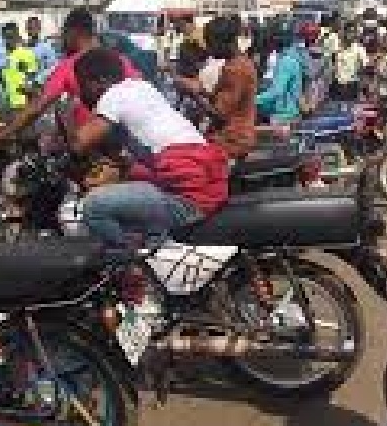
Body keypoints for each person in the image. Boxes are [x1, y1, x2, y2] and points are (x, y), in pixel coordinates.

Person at [72, 47, 229, 254]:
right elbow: (138, 143)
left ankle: (130, 267)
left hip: (188, 197)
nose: (80, 92)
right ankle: (152, 248)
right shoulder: (142, 87)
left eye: (82, 84)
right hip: (203, 176)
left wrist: (58, 142)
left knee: (93, 208)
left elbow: (79, 143)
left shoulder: (111, 96)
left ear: (100, 81)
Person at [0, 7, 140, 143]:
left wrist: (2, 135)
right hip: (127, 144)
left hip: (89, 146)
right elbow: (140, 93)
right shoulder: (120, 60)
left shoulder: (69, 65)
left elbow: (37, 106)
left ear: (74, 33)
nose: (63, 40)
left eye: (64, 34)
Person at [174, 16, 258, 160]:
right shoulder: (240, 63)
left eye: (211, 44)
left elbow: (218, 113)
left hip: (231, 140)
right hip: (230, 136)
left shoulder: (236, 70)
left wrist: (194, 94)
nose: (209, 49)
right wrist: (194, 87)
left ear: (223, 42)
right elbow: (219, 96)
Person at [257, 28, 305, 124]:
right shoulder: (291, 57)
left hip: (283, 114)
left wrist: (253, 100)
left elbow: (277, 91)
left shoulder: (286, 62)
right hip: (289, 110)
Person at [1, 23, 38, 110]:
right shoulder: (6, 56)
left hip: (23, 105)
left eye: (11, 37)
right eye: (5, 38)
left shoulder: (26, 54)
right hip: (8, 105)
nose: (8, 41)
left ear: (17, 36)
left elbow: (32, 81)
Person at [335, 28, 367, 101]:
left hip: (353, 84)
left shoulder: (359, 49)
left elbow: (364, 66)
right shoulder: (338, 48)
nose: (348, 36)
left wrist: (360, 84)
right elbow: (335, 64)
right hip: (338, 84)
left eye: (351, 34)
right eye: (346, 34)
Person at [25, 15, 59, 84]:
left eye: (35, 27)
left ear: (39, 29)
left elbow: (53, 67)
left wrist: (38, 80)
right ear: (26, 29)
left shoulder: (46, 47)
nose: (32, 30)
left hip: (40, 85)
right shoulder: (23, 48)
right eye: (30, 28)